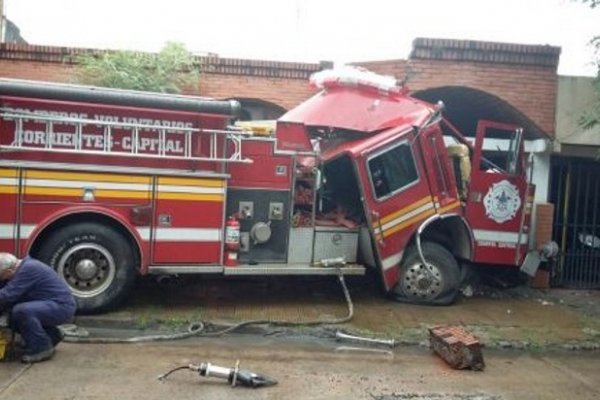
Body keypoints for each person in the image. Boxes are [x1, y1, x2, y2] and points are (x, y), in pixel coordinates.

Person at [0, 253, 76, 363]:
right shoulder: (19, 268)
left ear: (8, 272)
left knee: (21, 311)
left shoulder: (29, 269)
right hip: (48, 305)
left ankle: (41, 348)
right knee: (11, 314)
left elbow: (7, 295)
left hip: (61, 307)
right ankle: (51, 335)